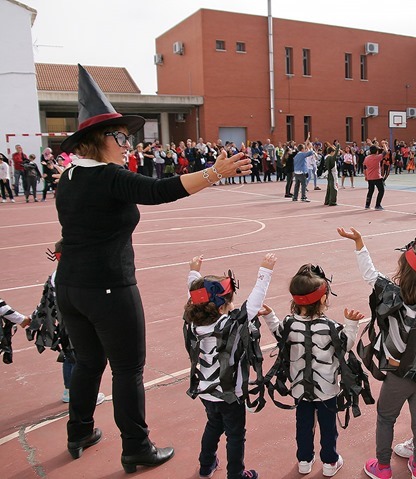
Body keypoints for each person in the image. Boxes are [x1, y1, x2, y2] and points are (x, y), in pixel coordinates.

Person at [54, 65, 251, 472]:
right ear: (99, 140)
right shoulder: (110, 177)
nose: (127, 143)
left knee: (89, 362)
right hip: (107, 287)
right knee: (127, 368)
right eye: (121, 136)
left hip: (70, 285)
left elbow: (78, 225)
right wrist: (216, 172)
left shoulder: (69, 177)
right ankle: (136, 447)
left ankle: (79, 431)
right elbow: (160, 191)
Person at [337, 228, 416, 479]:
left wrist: (360, 242)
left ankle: (382, 467)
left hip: (397, 374)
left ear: (406, 275)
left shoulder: (394, 296)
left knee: (386, 418)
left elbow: (370, 275)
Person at [259, 264, 364, 477]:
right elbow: (346, 345)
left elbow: (278, 333)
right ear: (324, 299)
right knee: (328, 428)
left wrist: (270, 316)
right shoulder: (331, 327)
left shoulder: (290, 323)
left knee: (303, 426)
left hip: (299, 388)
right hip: (327, 390)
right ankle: (329, 463)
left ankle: (304, 461)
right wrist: (351, 324)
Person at [184, 253, 276, 479]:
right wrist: (265, 271)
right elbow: (254, 302)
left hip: (205, 391)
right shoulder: (232, 324)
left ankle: (206, 464)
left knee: (213, 425)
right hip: (230, 394)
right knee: (235, 435)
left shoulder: (192, 322)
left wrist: (194, 272)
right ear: (224, 304)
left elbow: (194, 295)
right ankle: (235, 474)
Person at [26, 240, 107, 405]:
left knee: (70, 356)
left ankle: (69, 390)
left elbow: (45, 302)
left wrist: (33, 317)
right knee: (84, 358)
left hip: (64, 323)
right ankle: (84, 393)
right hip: (79, 321)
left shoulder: (56, 275)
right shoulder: (78, 275)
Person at [363, 142, 388, 210]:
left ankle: (367, 204)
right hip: (377, 176)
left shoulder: (366, 158)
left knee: (370, 191)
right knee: (381, 190)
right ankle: (377, 205)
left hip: (370, 177)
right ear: (376, 151)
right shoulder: (378, 157)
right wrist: (384, 145)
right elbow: (386, 151)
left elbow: (365, 167)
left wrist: (365, 176)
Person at [292, 138, 313, 202]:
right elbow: (310, 153)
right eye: (304, 148)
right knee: (303, 185)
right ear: (302, 149)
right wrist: (310, 147)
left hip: (296, 172)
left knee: (297, 185)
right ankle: (303, 197)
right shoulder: (302, 154)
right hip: (301, 172)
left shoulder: (296, 156)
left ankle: (295, 197)